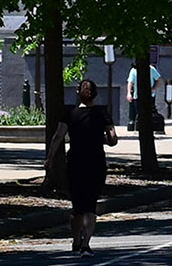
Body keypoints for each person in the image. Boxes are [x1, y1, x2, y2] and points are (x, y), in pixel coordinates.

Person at [60, 77, 115, 253]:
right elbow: (113, 139)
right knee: (90, 204)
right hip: (96, 162)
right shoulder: (102, 114)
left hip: (75, 162)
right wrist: (101, 139)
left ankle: (76, 242)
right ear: (96, 94)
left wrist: (50, 158)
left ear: (78, 93)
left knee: (77, 206)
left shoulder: (70, 114)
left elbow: (57, 137)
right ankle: (86, 244)